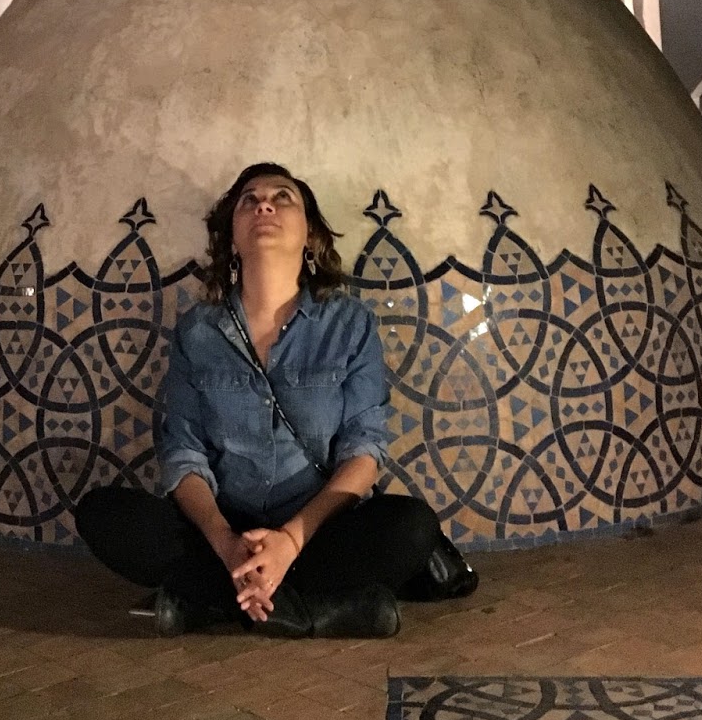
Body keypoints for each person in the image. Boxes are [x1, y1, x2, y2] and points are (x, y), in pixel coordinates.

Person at [76, 162, 476, 637]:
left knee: (410, 527)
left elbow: (364, 451)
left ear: (310, 235)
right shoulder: (197, 331)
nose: (264, 205)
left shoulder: (349, 324)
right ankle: (317, 611)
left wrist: (289, 540)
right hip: (224, 531)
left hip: (317, 531)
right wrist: (227, 544)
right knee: (103, 515)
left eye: (282, 197)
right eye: (249, 200)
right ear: (232, 239)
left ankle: (215, 604)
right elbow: (183, 453)